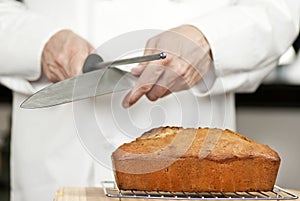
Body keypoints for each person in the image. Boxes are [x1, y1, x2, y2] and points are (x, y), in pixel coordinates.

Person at [0, 0, 299, 201]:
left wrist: (210, 39)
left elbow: (282, 6)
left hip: (197, 129)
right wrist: (37, 42)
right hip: (58, 157)